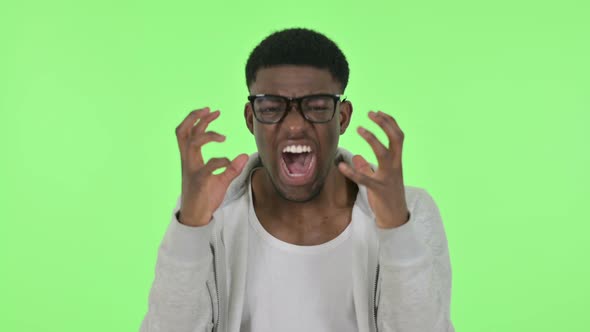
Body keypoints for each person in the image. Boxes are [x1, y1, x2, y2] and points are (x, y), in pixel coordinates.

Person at [140, 28, 454, 332]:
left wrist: (396, 230)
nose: (293, 126)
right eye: (272, 107)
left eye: (316, 107)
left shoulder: (408, 210)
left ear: (341, 117)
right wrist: (191, 230)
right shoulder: (208, 214)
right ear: (251, 119)